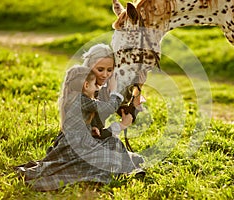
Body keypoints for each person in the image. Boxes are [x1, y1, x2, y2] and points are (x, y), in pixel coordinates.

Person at [15, 44, 145, 191]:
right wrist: (118, 116)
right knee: (110, 153)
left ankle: (123, 168)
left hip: (90, 139)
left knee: (121, 151)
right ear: (89, 68)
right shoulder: (83, 93)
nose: (105, 74)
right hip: (77, 144)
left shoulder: (98, 89)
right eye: (100, 69)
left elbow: (125, 110)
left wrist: (138, 88)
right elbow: (109, 108)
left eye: (110, 70)